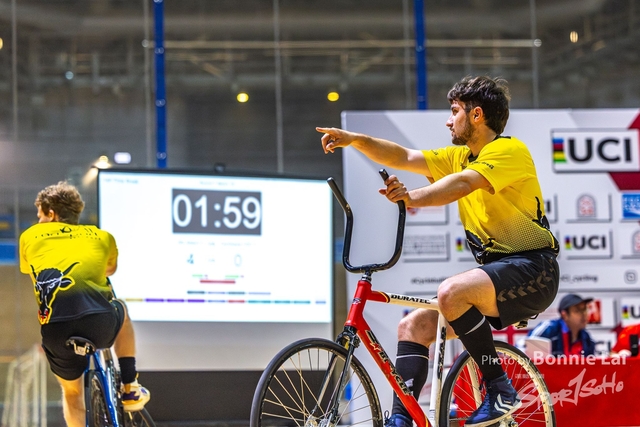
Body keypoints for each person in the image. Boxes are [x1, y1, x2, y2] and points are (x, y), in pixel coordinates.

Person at [317, 75, 560, 427]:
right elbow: (402, 156)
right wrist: (355, 140)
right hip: (494, 274)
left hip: (534, 271)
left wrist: (410, 197)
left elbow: (462, 184)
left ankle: (500, 388)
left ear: (476, 115)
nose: (448, 120)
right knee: (412, 326)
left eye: (454, 111)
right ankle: (402, 420)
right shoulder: (459, 156)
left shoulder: (509, 151)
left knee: (451, 292)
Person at [19, 182, 150, 427]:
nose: (39, 221)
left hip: (56, 329)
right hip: (99, 322)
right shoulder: (102, 236)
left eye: (40, 216)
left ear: (51, 213)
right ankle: (130, 387)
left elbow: (32, 270)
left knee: (72, 393)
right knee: (121, 309)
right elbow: (109, 269)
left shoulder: (29, 236)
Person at [527, 293, 596, 357]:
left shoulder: (587, 338)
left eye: (584, 309)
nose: (584, 314)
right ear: (564, 315)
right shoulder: (549, 328)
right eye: (577, 310)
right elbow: (525, 347)